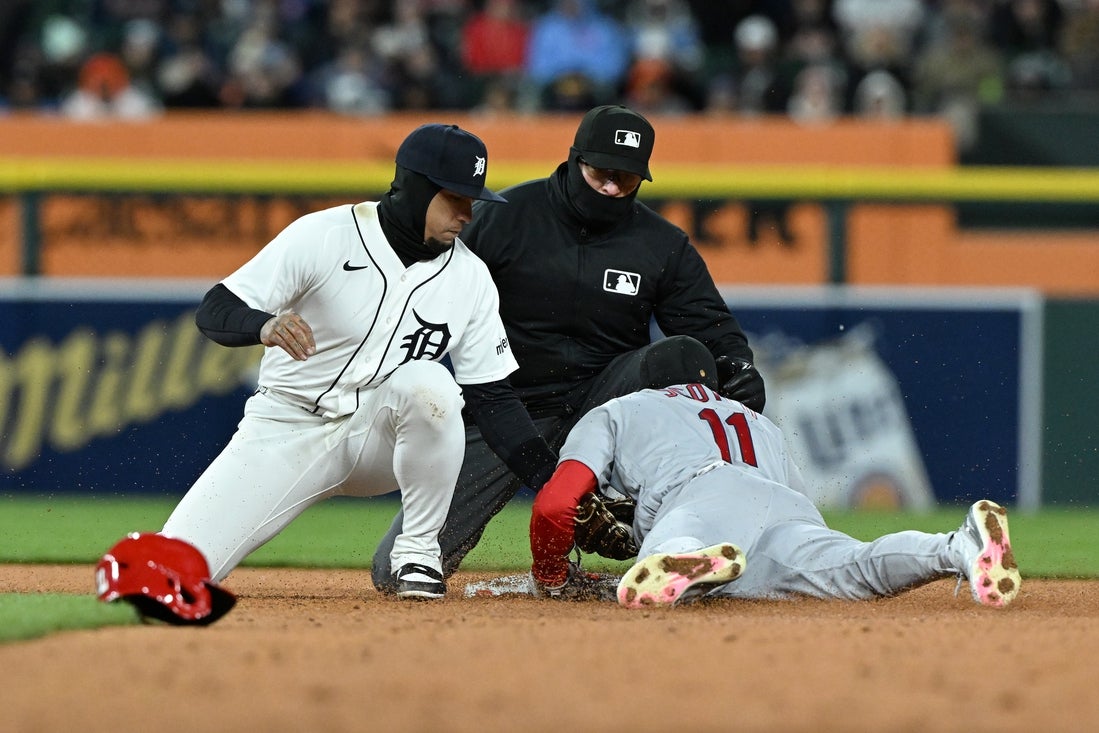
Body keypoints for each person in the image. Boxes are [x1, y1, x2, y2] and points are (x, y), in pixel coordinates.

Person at [97, 123, 562, 620]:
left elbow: (494, 397)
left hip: (379, 439)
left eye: (473, 200)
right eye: (455, 198)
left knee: (431, 386)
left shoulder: (469, 276)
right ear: (415, 187)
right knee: (172, 567)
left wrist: (553, 483)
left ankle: (418, 553)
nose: (467, 214)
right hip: (286, 428)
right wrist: (263, 325)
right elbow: (216, 308)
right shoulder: (325, 235)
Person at [372, 104, 766, 592]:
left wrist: (737, 366)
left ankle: (685, 538)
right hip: (506, 411)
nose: (612, 188)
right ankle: (580, 572)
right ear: (575, 159)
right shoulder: (506, 217)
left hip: (609, 407)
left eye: (626, 178)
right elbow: (423, 291)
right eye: (603, 173)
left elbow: (712, 330)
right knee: (393, 572)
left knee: (683, 357)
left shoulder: (661, 243)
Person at [527, 360, 1021, 609]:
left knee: (657, 563)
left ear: (647, 379)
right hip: (784, 508)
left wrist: (551, 576)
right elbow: (799, 502)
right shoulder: (758, 421)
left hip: (699, 496)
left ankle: (684, 558)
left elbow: (555, 505)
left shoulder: (621, 408)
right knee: (855, 566)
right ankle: (958, 547)